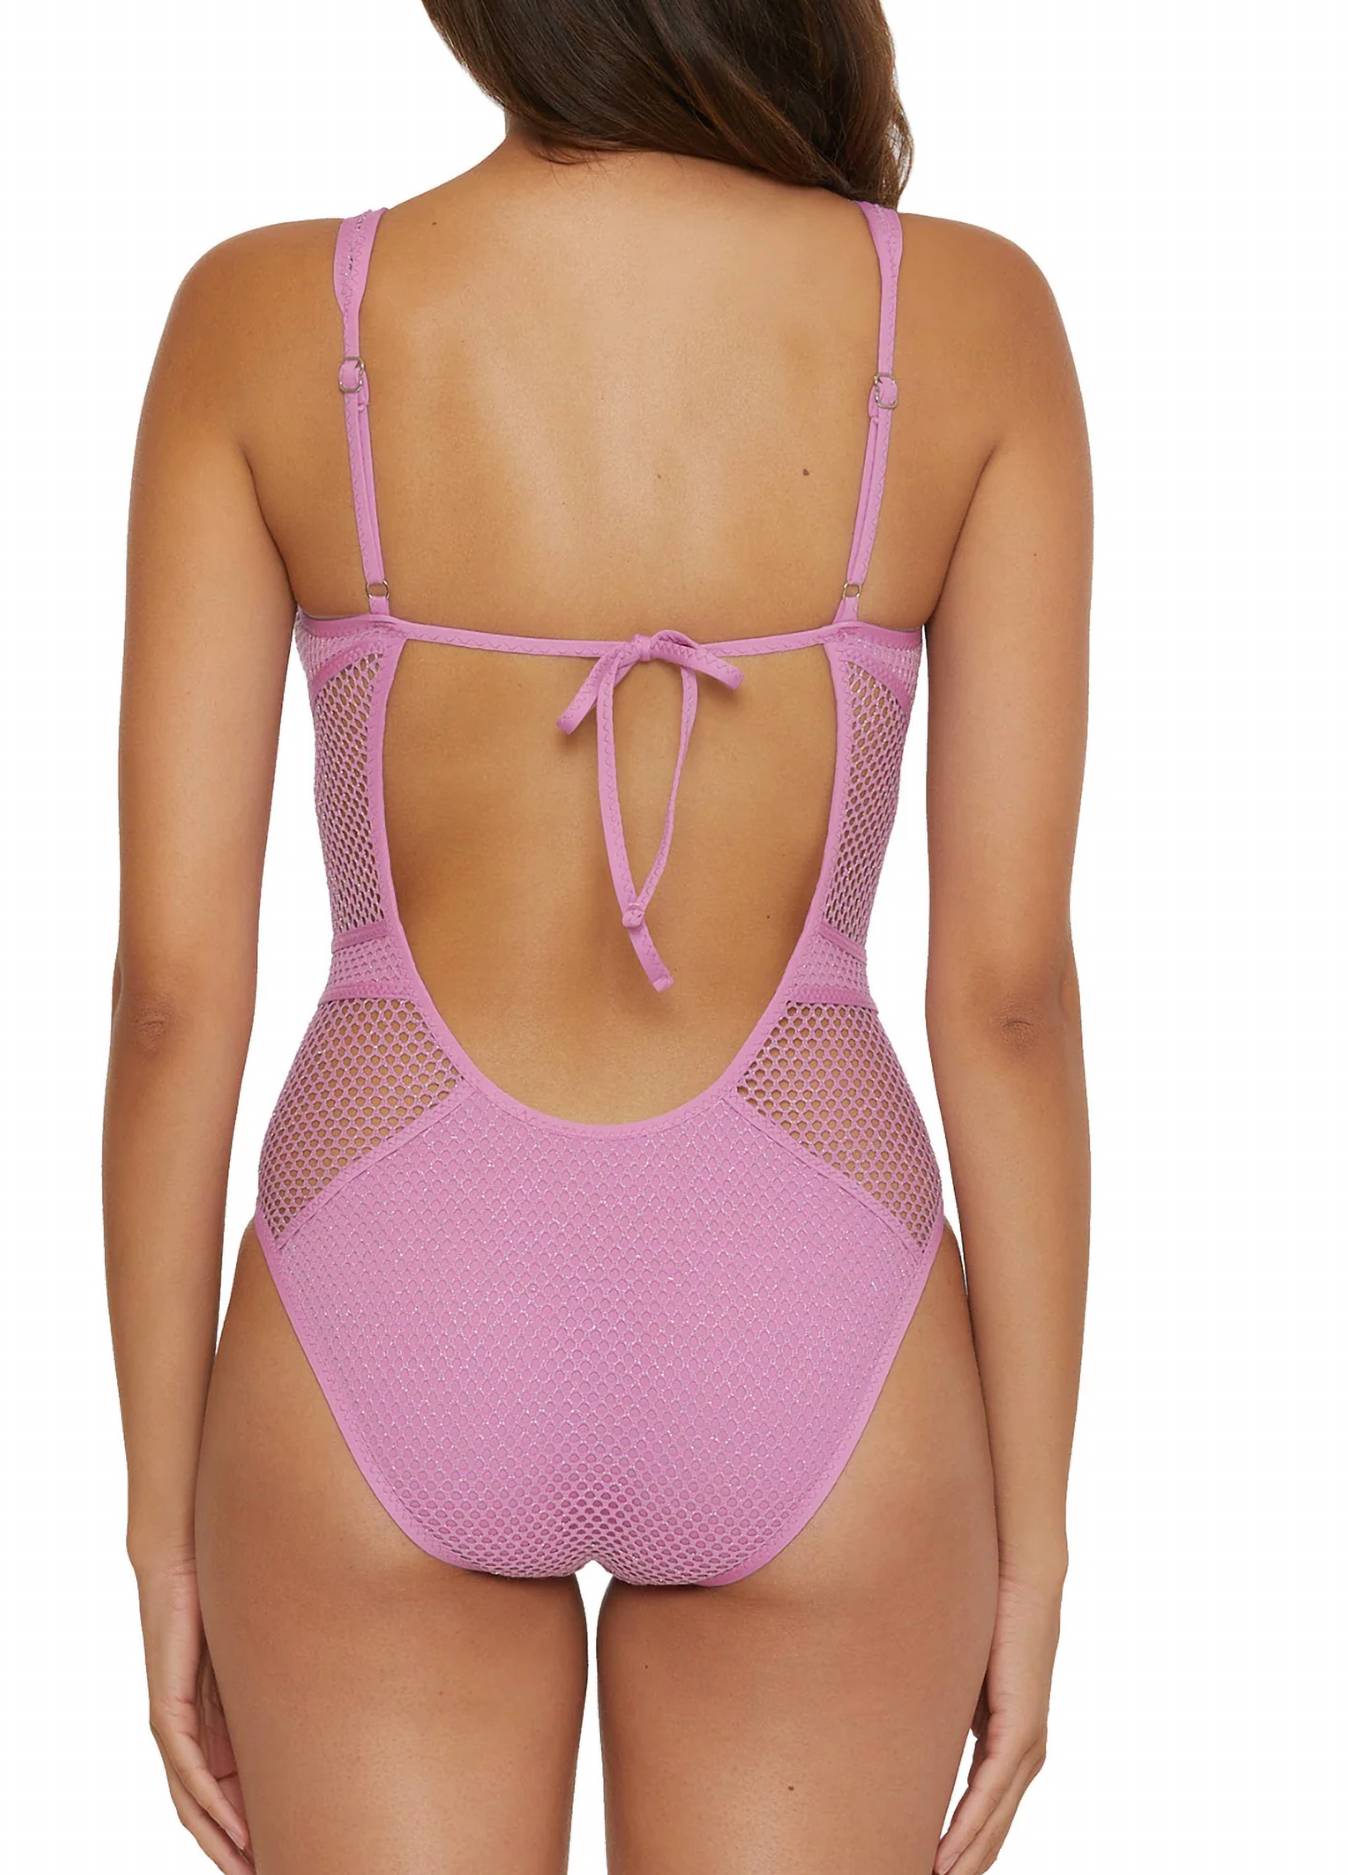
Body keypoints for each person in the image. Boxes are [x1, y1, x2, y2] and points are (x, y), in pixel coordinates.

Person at [103, 3, 1090, 1869]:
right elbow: (1010, 1001)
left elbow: (173, 999)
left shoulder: (268, 318)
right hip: (814, 1298)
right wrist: (1034, 1549)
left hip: (387, 1284)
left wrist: (162, 1531)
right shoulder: (966, 320)